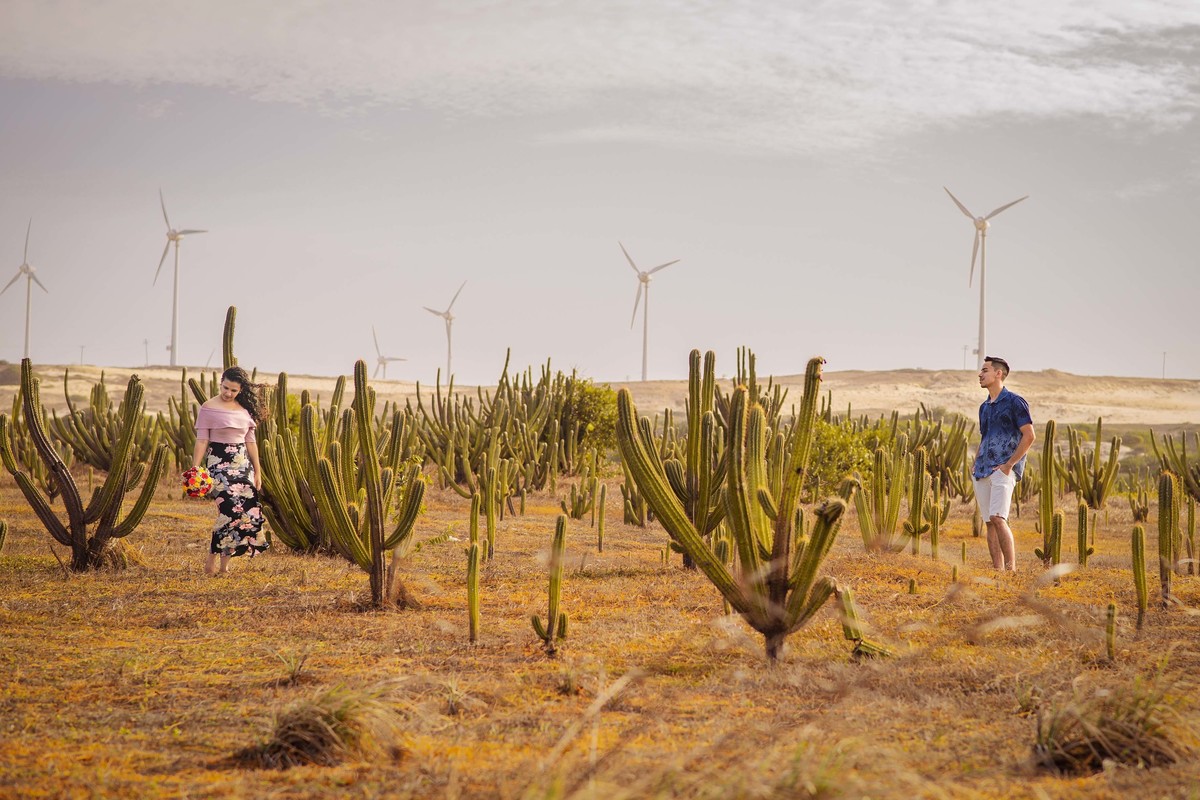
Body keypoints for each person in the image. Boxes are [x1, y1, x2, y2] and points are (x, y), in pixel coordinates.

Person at [192, 366, 269, 574]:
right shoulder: (208, 407)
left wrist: (258, 472)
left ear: (241, 390)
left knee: (242, 513)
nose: (228, 393)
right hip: (218, 464)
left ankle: (224, 566)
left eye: (233, 390)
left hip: (242, 465)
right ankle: (211, 559)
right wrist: (195, 469)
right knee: (228, 510)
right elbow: (202, 440)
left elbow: (251, 442)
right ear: (221, 383)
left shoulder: (244, 410)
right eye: (226, 388)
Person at [973, 356, 1035, 572]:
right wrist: (975, 464)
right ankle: (997, 571)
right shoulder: (984, 407)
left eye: (985, 370)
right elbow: (985, 437)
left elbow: (1029, 435)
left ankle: (1011, 571)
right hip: (982, 470)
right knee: (989, 522)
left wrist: (1009, 465)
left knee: (999, 518)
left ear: (998, 374)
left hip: (1003, 469)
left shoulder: (1015, 402)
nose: (980, 375)